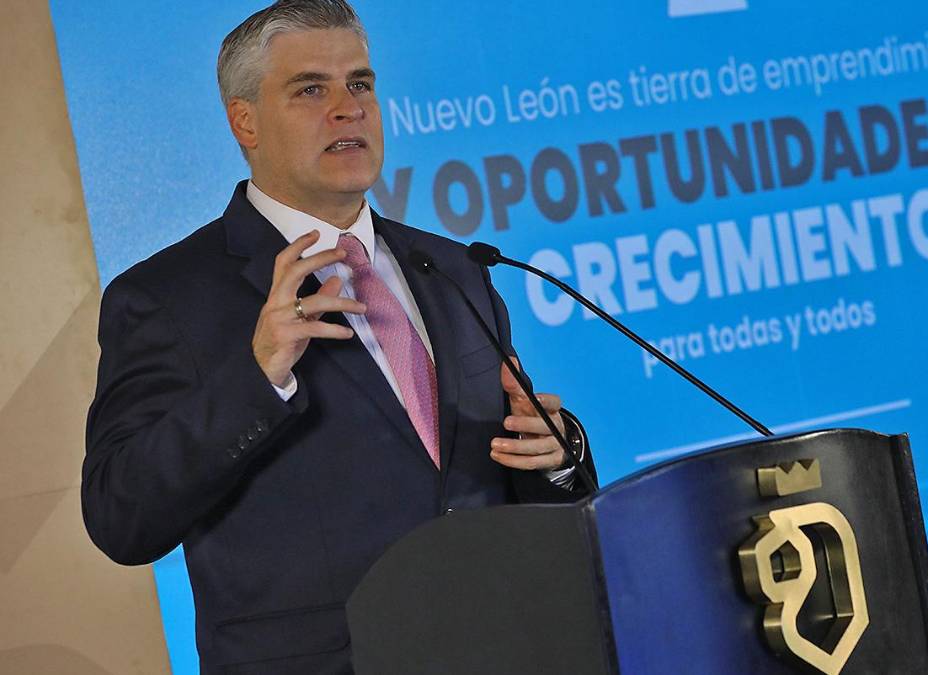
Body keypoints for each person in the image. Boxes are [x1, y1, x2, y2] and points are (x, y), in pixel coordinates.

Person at [81, 1, 596, 671]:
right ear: (245, 121)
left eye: (360, 84)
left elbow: (485, 483)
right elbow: (120, 517)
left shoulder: (454, 269)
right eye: (310, 89)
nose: (348, 108)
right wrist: (257, 377)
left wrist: (555, 456)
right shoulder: (166, 298)